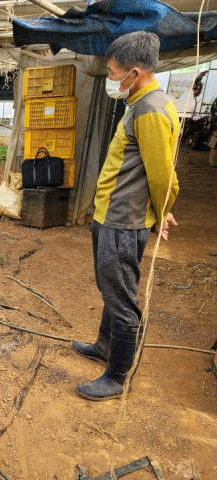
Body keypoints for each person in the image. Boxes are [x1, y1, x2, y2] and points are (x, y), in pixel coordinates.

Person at [73, 31, 180, 401]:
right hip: (111, 213)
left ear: (135, 73)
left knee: (121, 297)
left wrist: (162, 211)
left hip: (123, 218)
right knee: (111, 286)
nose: (111, 79)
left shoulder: (150, 110)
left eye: (114, 72)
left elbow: (163, 174)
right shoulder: (141, 103)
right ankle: (104, 346)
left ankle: (116, 376)